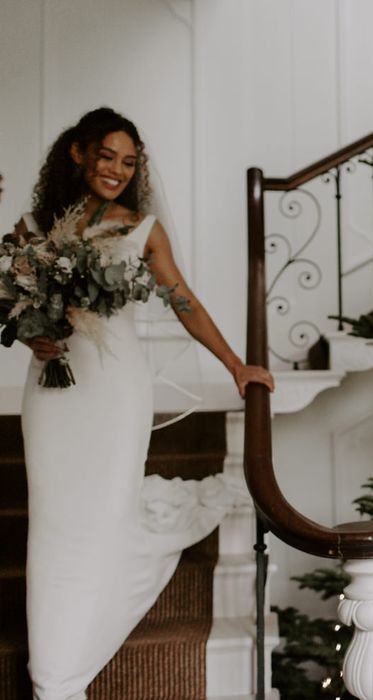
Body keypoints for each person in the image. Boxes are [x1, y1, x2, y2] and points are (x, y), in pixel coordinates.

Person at [15, 107, 274, 700]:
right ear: (77, 153)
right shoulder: (32, 226)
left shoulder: (141, 228)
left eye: (129, 163)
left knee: (102, 515)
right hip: (51, 386)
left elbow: (182, 300)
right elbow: (16, 299)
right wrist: (32, 333)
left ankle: (60, 671)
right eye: (106, 156)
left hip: (114, 389)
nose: (117, 170)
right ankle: (53, 663)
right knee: (54, 522)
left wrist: (237, 365)